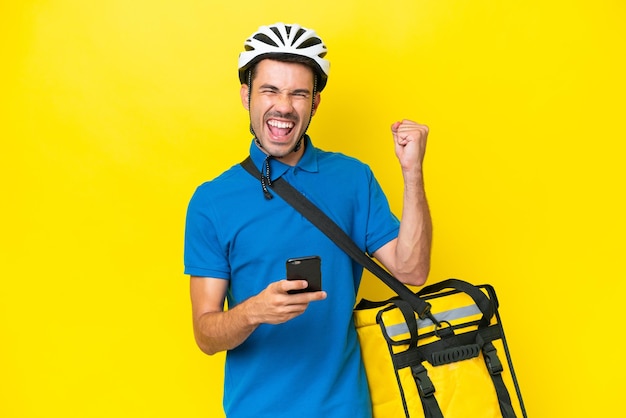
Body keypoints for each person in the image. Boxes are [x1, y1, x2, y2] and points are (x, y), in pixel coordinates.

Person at [184, 22, 432, 418]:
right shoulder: (212, 201)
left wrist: (412, 172)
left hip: (345, 408)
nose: (284, 106)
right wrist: (254, 311)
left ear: (314, 104)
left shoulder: (353, 179)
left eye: (298, 93)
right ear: (247, 96)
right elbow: (205, 335)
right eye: (270, 90)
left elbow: (412, 270)